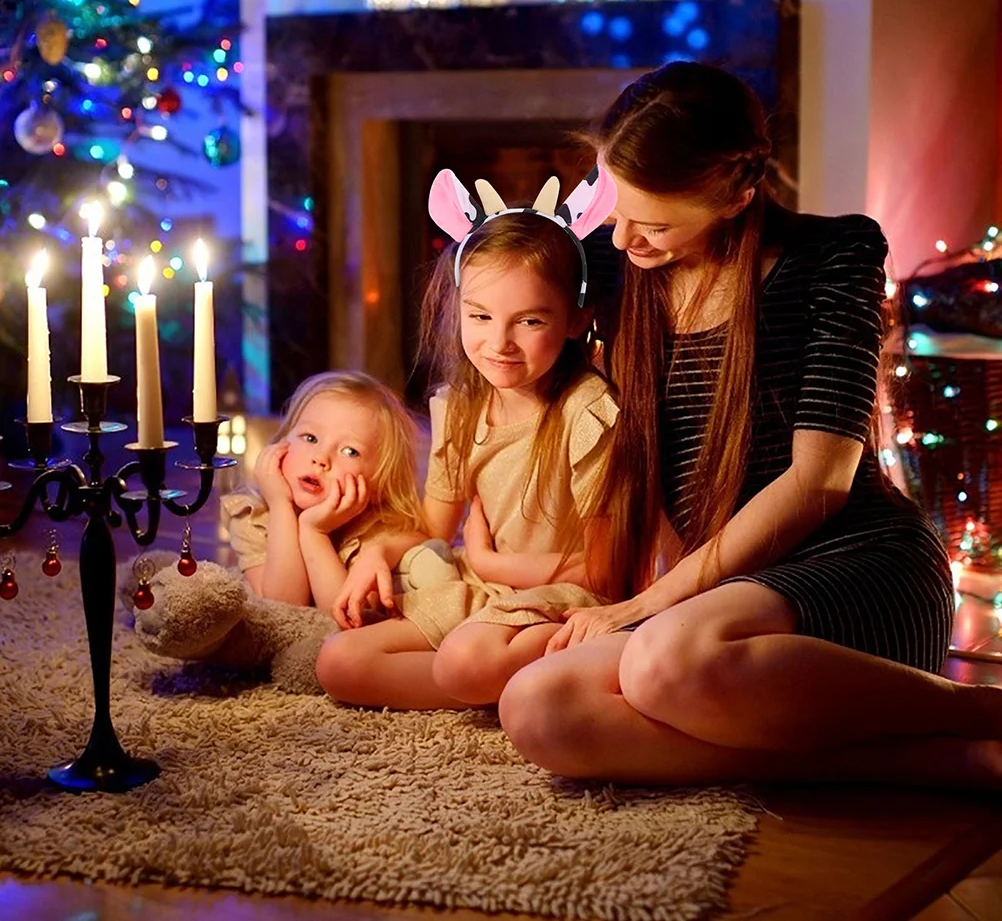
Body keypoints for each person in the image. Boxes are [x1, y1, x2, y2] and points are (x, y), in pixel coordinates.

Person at [498, 61, 1002, 790]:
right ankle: (950, 766)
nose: (624, 241)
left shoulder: (833, 255)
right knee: (540, 708)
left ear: (737, 193)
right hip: (722, 592)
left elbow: (817, 485)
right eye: (615, 210)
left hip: (856, 565)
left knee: (663, 662)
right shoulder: (617, 271)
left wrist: (644, 607)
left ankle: (977, 714)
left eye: (657, 222)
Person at [314, 167, 621, 709]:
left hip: (566, 599)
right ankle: (496, 682)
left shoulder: (586, 412)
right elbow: (435, 527)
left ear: (576, 320)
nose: (498, 342)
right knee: (339, 662)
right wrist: (377, 554)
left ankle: (513, 673)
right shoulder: (459, 408)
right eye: (479, 316)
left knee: (464, 657)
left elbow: (604, 568)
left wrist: (487, 559)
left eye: (529, 321)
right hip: (488, 594)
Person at [224, 370, 426, 612]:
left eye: (350, 451)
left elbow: (346, 617)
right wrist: (280, 506)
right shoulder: (253, 517)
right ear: (281, 442)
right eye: (309, 438)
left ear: (379, 487)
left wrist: (314, 532)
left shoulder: (377, 530)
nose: (321, 458)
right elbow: (284, 606)